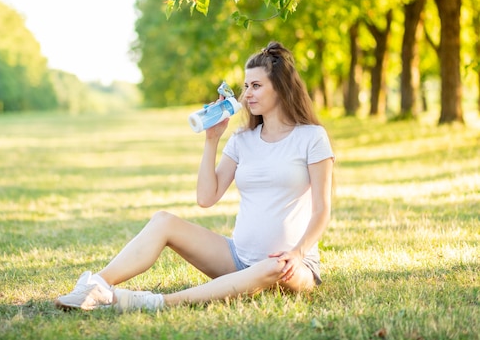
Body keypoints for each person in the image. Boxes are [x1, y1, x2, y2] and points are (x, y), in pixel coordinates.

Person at [54, 41, 335, 312]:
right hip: (238, 259)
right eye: (246, 85)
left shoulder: (311, 138)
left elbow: (322, 210)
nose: (247, 93)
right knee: (163, 221)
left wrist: (297, 253)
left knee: (273, 266)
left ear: (282, 89)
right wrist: (212, 140)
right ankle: (95, 285)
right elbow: (206, 198)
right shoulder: (242, 140)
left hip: (291, 266)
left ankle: (158, 302)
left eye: (257, 86)